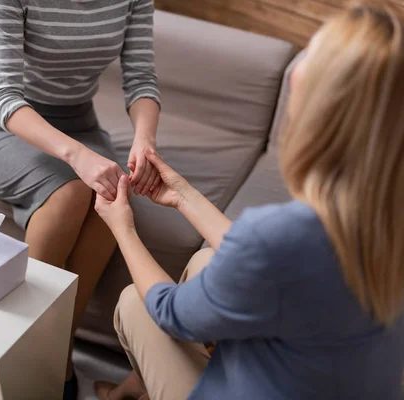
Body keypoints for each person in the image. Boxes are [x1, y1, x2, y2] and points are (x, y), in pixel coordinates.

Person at [94, 4, 404, 400]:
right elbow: (276, 258)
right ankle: (131, 392)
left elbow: (171, 313)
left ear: (323, 109)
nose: (295, 71)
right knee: (207, 260)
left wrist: (123, 227)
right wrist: (183, 195)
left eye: (312, 57)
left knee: (134, 303)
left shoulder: (284, 233)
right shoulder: (380, 219)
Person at [0, 0, 161, 397]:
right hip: (6, 126)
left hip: (80, 122)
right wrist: (77, 156)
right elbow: (2, 97)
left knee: (112, 197)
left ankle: (54, 349)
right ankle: (14, 347)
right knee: (70, 193)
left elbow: (140, 78)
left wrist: (145, 140)